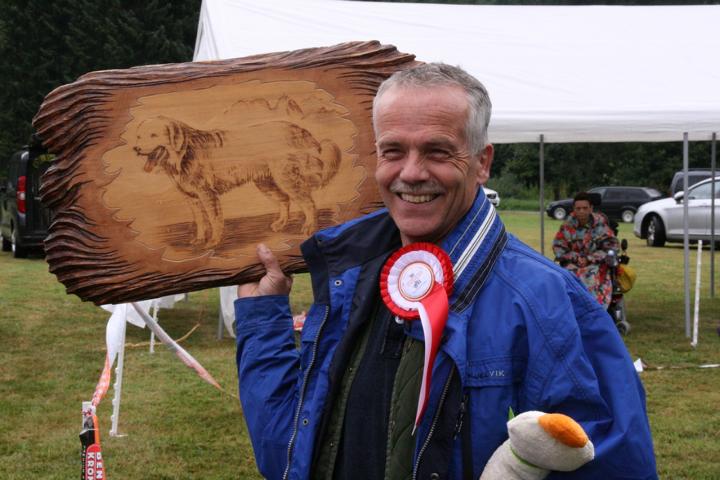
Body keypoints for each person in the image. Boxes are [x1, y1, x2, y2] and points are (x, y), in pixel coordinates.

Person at [235, 64, 657, 479]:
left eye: (437, 151)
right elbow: (287, 456)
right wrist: (263, 321)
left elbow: (611, 462)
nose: (411, 173)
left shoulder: (547, 301)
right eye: (393, 151)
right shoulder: (349, 279)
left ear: (482, 162)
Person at [552, 192, 619, 309]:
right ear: (574, 209)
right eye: (578, 208)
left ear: (591, 208)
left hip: (595, 264)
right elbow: (558, 247)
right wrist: (575, 257)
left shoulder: (600, 224)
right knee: (563, 279)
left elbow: (612, 246)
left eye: (585, 208)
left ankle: (592, 311)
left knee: (591, 277)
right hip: (572, 264)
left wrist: (590, 258)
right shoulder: (567, 225)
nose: (581, 211)